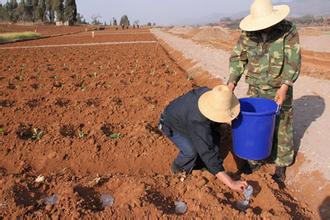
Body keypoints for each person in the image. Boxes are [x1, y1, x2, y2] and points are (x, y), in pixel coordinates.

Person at [227, 0, 301, 186]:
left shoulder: (288, 30)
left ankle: (280, 166)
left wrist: (284, 87)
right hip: (256, 87)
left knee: (282, 125)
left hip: (279, 87)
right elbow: (238, 58)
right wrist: (231, 84)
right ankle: (255, 161)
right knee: (255, 125)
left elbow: (293, 60)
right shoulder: (248, 32)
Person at [158, 85, 247, 192]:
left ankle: (204, 167)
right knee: (191, 151)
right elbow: (206, 151)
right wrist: (231, 182)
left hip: (186, 117)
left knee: (218, 133)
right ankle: (178, 169)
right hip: (171, 123)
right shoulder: (198, 121)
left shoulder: (214, 96)